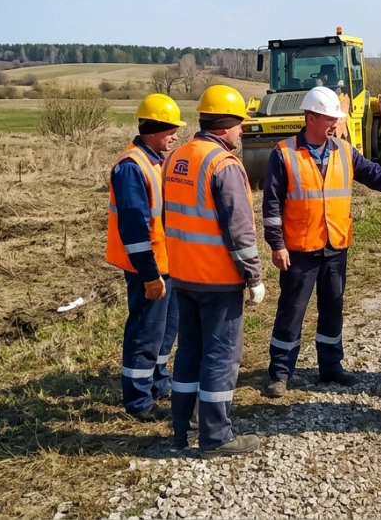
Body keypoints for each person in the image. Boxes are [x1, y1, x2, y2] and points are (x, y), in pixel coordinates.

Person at [262, 86, 381, 398]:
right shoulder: (284, 153)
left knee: (333, 308)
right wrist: (276, 244)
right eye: (330, 118)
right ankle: (279, 374)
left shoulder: (344, 151)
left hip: (335, 246)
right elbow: (271, 205)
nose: (335, 124)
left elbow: (378, 176)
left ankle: (331, 367)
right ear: (310, 118)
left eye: (336, 118)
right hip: (299, 250)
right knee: (292, 311)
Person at [163, 85, 266, 457]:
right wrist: (254, 277)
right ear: (226, 125)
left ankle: (183, 429)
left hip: (183, 276)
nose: (241, 131)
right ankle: (216, 436)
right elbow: (240, 232)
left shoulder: (177, 157)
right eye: (239, 124)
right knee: (221, 357)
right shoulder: (223, 164)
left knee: (189, 353)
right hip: (218, 280)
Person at [106, 93, 184, 422]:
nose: (176, 135)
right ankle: (138, 401)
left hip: (166, 264)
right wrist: (149, 275)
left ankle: (158, 382)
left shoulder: (154, 161)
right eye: (171, 130)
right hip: (147, 268)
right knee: (145, 331)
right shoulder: (131, 167)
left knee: (166, 329)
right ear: (153, 129)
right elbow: (135, 229)